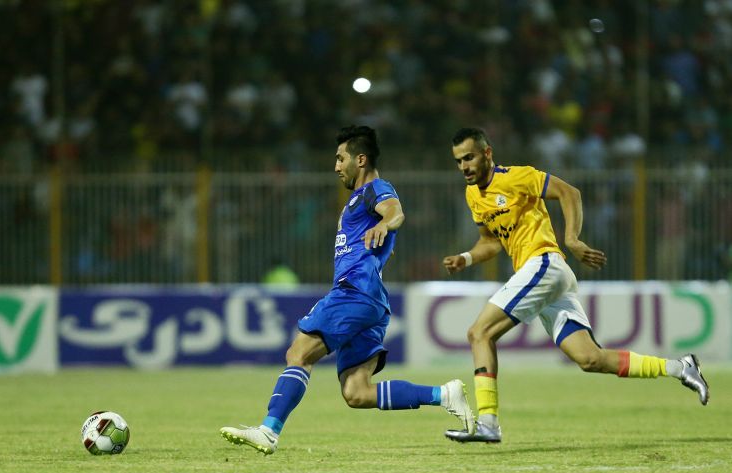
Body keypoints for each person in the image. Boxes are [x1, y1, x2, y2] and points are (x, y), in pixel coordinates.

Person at [442, 127, 710, 443]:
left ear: (487, 153)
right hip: (546, 277)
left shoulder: (515, 177)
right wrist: (466, 258)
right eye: (459, 161)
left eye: (469, 158)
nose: (464, 167)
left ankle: (488, 423)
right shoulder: (473, 195)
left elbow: (570, 193)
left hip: (543, 264)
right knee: (590, 359)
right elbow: (490, 241)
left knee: (479, 333)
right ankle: (681, 367)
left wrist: (572, 239)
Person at [221, 125, 474, 455]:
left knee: (298, 354)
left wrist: (385, 223)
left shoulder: (375, 189)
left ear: (361, 159)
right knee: (357, 392)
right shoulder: (356, 200)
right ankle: (444, 395)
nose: (336, 166)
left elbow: (395, 212)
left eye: (341, 159)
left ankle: (269, 431)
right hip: (372, 300)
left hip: (354, 292)